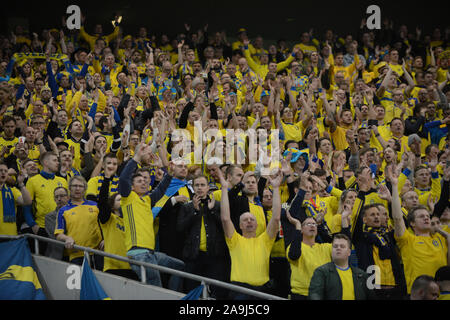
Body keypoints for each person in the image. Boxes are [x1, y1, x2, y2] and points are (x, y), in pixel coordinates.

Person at [118, 143, 184, 290]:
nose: (144, 183)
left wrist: (167, 171)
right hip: (139, 254)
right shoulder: (128, 198)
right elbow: (123, 179)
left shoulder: (147, 199)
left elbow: (161, 189)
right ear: (132, 186)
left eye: (145, 181)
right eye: (139, 181)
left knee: (180, 267)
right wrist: (136, 158)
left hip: (151, 253)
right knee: (156, 290)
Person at [219, 167, 283, 299]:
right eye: (245, 220)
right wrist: (225, 189)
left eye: (252, 219)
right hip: (239, 291)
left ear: (257, 224)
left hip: (263, 291)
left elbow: (276, 217)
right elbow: (225, 218)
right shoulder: (234, 240)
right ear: (240, 225)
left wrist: (276, 188)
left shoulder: (265, 240)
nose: (249, 221)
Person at [389, 164, 450, 295]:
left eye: (427, 216)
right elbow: (398, 218)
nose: (426, 218)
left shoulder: (441, 238)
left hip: (442, 295)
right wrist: (394, 187)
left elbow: (443, 201)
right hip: (418, 294)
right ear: (412, 223)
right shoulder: (407, 240)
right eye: (421, 217)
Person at [176, 175, 229, 298]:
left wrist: (211, 211)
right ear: (193, 187)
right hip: (193, 255)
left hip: (214, 255)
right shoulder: (186, 207)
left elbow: (225, 227)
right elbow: (180, 228)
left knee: (217, 291)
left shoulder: (217, 205)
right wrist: (195, 211)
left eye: (202, 185)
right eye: (197, 185)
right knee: (192, 290)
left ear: (208, 187)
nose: (199, 188)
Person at [54, 176, 103, 269]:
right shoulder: (63, 210)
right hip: (76, 255)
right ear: (69, 188)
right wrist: (67, 238)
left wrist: (105, 239)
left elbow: (105, 226)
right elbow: (58, 234)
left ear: (85, 189)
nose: (77, 188)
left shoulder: (95, 205)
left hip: (97, 253)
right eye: (74, 186)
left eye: (81, 186)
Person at [24, 151, 68, 253]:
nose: (58, 163)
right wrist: (33, 225)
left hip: (62, 227)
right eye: (55, 160)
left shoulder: (63, 181)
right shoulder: (32, 181)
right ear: (46, 163)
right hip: (42, 228)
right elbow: (26, 206)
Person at [308, 233, 374, 300]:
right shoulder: (321, 272)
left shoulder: (362, 275)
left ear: (349, 252)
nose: (338, 248)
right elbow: (315, 294)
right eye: (335, 246)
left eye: (342, 246)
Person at [0, 162, 31, 236]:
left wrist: (21, 183)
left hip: (10, 236)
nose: (3, 172)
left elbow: (27, 202)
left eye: (6, 171)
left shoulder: (12, 190)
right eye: (0, 170)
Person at [44, 186, 69, 260]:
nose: (59, 199)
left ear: (68, 197)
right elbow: (55, 236)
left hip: (74, 253)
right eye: (56, 197)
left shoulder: (76, 212)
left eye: (62, 196)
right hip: (58, 255)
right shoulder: (49, 217)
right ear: (54, 199)